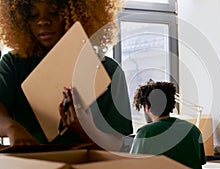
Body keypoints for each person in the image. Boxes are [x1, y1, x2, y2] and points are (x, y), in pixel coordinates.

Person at [0, 0, 133, 150]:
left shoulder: (108, 70)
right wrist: (12, 128)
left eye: (54, 12)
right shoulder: (14, 64)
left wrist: (87, 129)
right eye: (32, 15)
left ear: (80, 14)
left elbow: (119, 144)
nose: (43, 21)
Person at [130, 79, 206, 169]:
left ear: (146, 106)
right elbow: (200, 162)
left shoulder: (145, 133)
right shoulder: (193, 130)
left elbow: (132, 165)